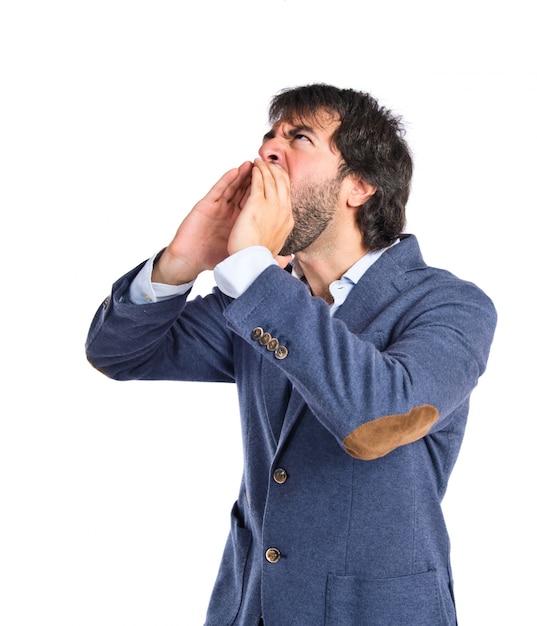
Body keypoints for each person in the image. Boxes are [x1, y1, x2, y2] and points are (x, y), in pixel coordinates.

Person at [86, 83, 497, 625]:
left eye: (299, 138)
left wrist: (255, 271)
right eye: (269, 137)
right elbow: (119, 354)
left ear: (360, 184)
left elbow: (377, 418)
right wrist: (181, 263)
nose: (269, 152)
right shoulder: (261, 297)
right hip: (250, 607)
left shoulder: (451, 305)